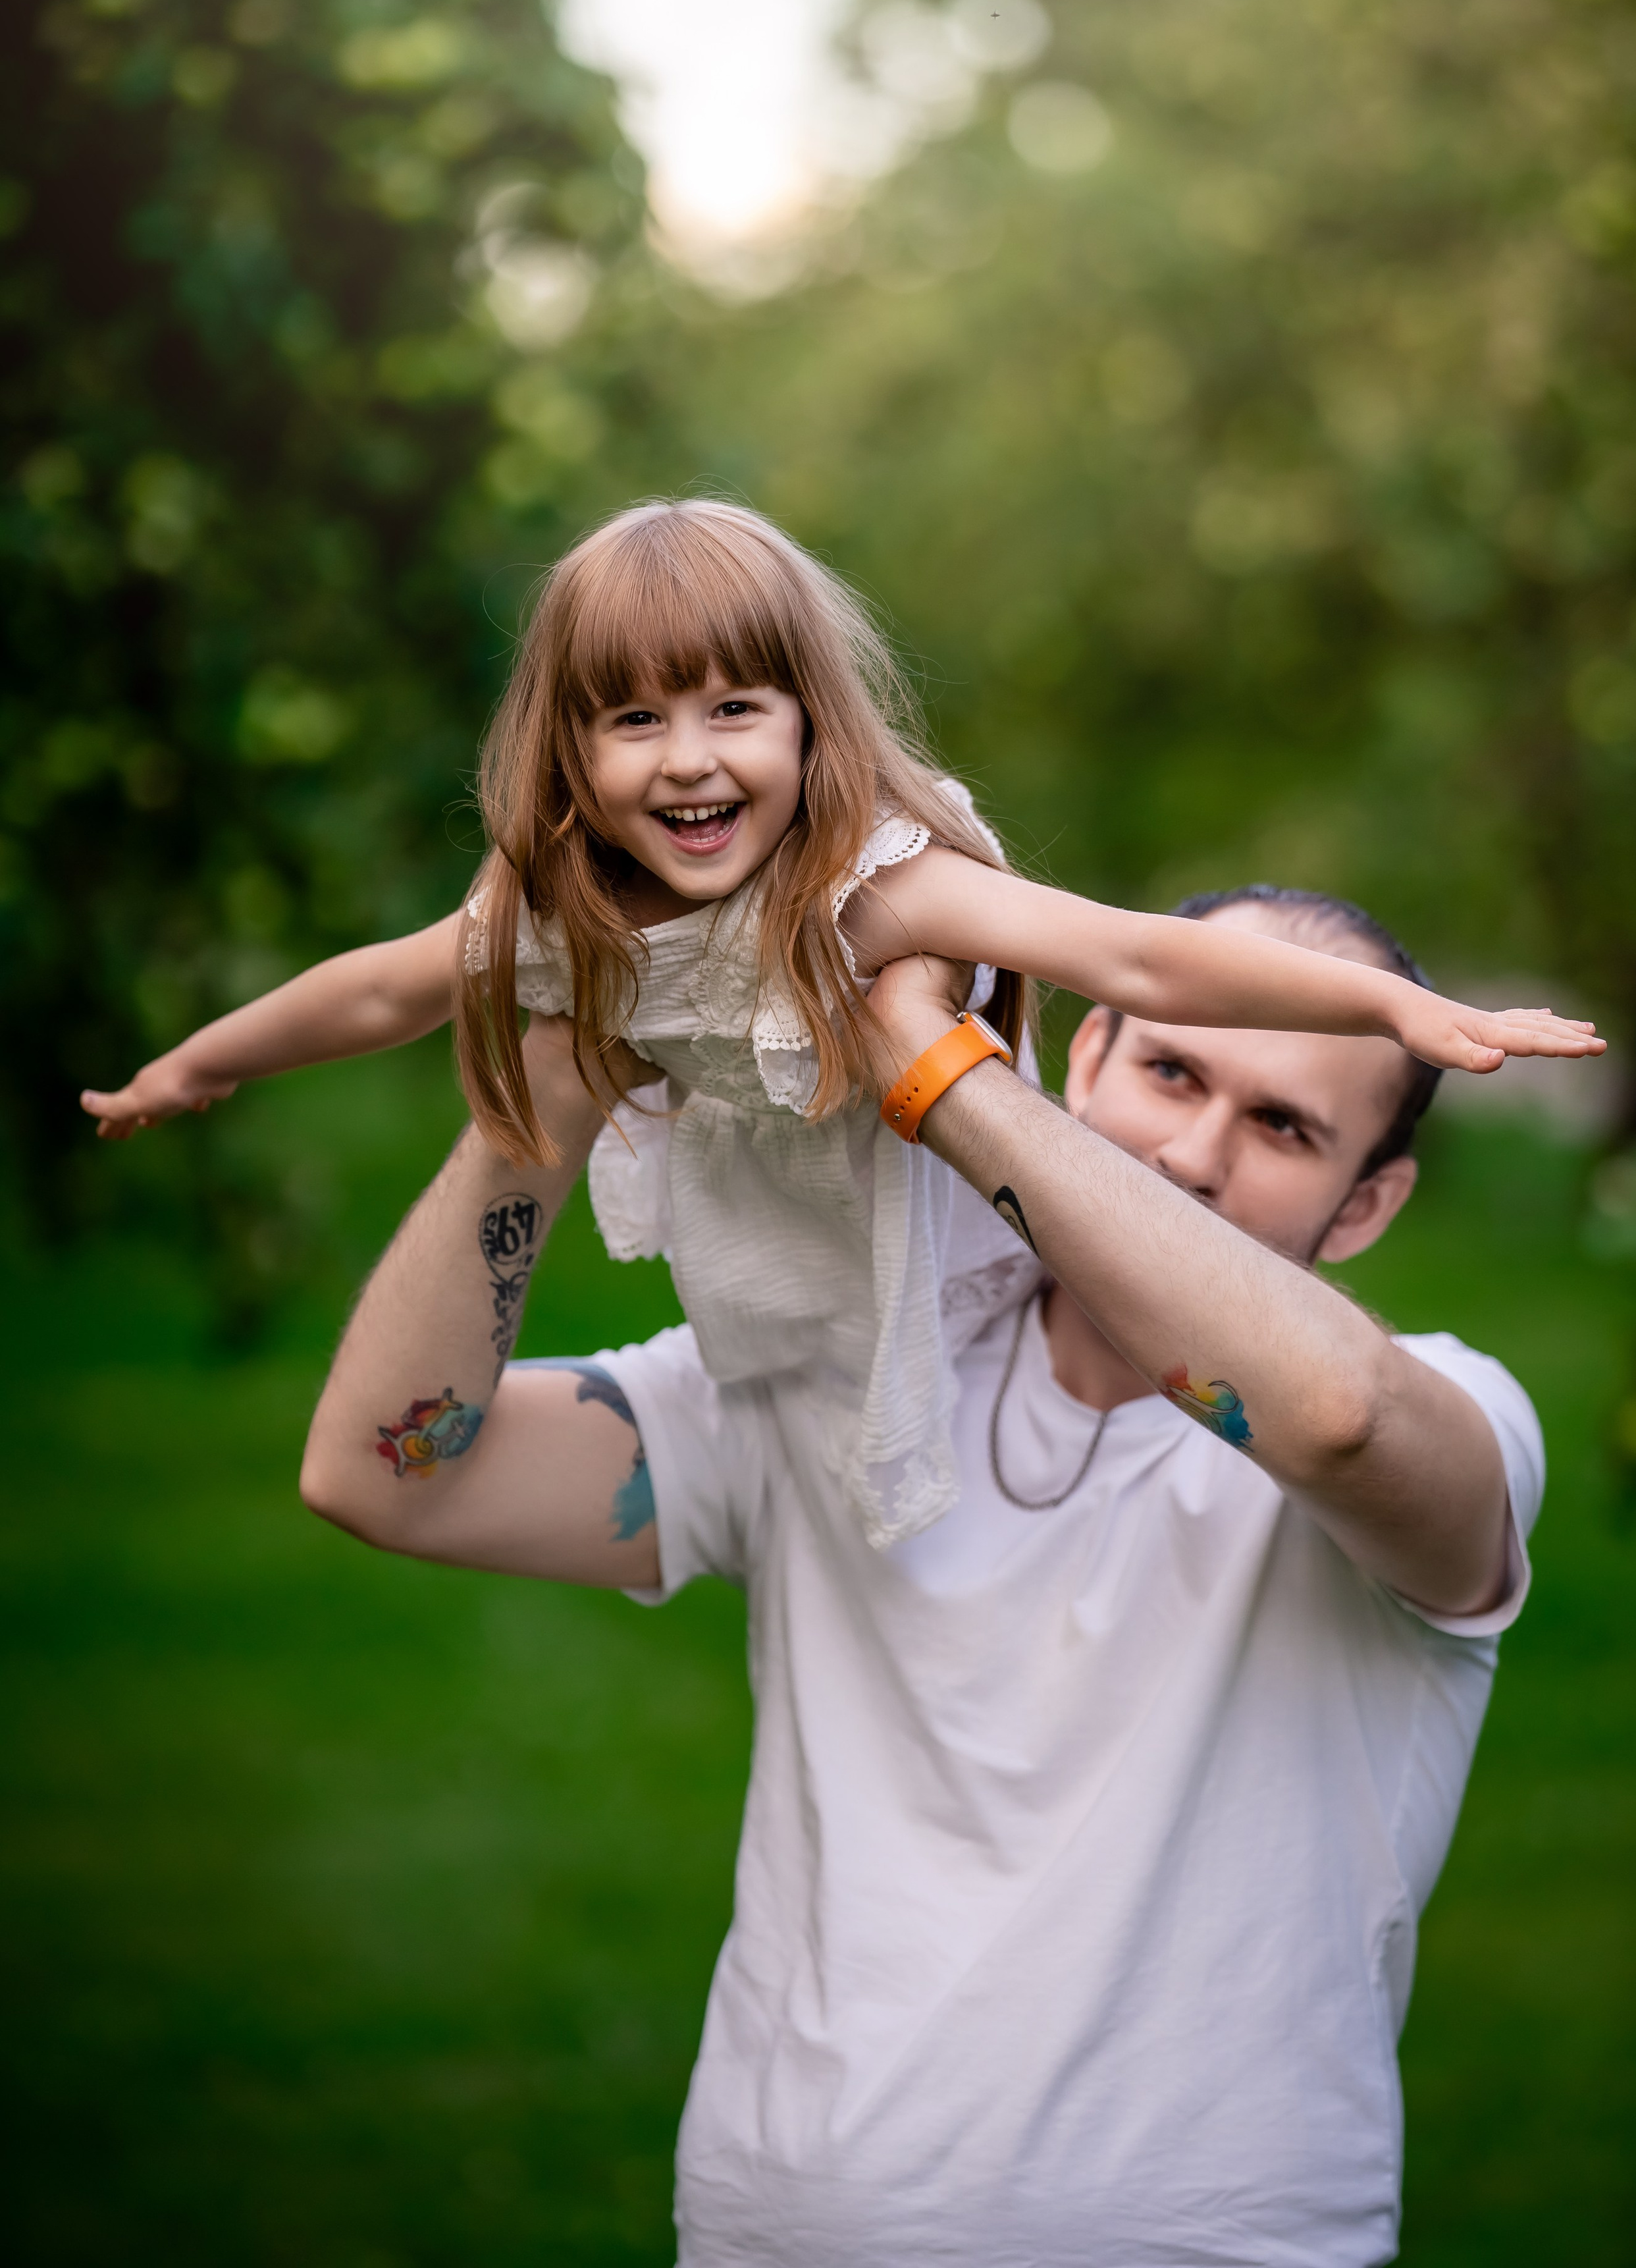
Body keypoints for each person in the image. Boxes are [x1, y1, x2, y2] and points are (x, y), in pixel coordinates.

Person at [299, 880, 1545, 2268]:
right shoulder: (844, 1368)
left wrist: (937, 1071)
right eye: (1172, 1072)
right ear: (1086, 1055)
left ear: (1365, 1205)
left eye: (1282, 1127)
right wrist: (547, 1090)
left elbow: (1336, 1418)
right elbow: (386, 1471)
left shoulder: (1458, 1415)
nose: (1193, 1154)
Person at [82, 499, 1596, 1550]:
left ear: (812, 724)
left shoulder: (871, 898)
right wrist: (200, 1063)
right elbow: (377, 990)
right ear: (569, 752)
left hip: (899, 1239)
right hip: (764, 1310)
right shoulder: (555, 924)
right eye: (633, 719)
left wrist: (1395, 1008)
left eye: (733, 709)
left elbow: (1136, 955)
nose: (688, 759)